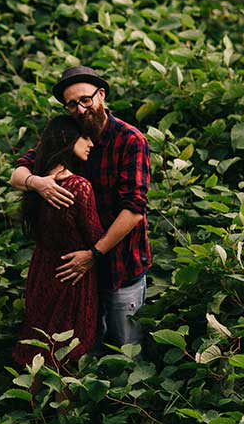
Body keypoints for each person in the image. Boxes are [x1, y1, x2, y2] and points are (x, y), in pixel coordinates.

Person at [10, 66, 151, 349]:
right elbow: (18, 173)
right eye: (72, 104)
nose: (80, 108)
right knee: (86, 345)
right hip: (80, 271)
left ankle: (127, 394)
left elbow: (134, 209)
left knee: (125, 345)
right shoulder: (69, 134)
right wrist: (38, 182)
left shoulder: (130, 140)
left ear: (100, 95)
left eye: (85, 99)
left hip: (119, 264)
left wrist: (94, 254)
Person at [11, 116, 103, 367]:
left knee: (39, 348)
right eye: (85, 137)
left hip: (42, 270)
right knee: (67, 354)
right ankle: (63, 407)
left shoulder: (38, 185)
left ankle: (33, 403)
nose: (91, 144)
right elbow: (94, 235)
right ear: (67, 140)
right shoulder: (79, 186)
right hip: (72, 275)